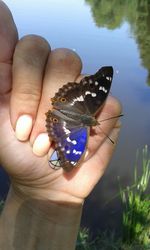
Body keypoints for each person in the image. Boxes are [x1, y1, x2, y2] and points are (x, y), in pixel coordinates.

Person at [0, 1, 122, 249]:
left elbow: (73, 153)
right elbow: (102, 79)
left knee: (89, 113)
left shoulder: (91, 115)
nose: (96, 122)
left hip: (70, 103)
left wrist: (41, 194)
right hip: (68, 112)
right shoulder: (88, 122)